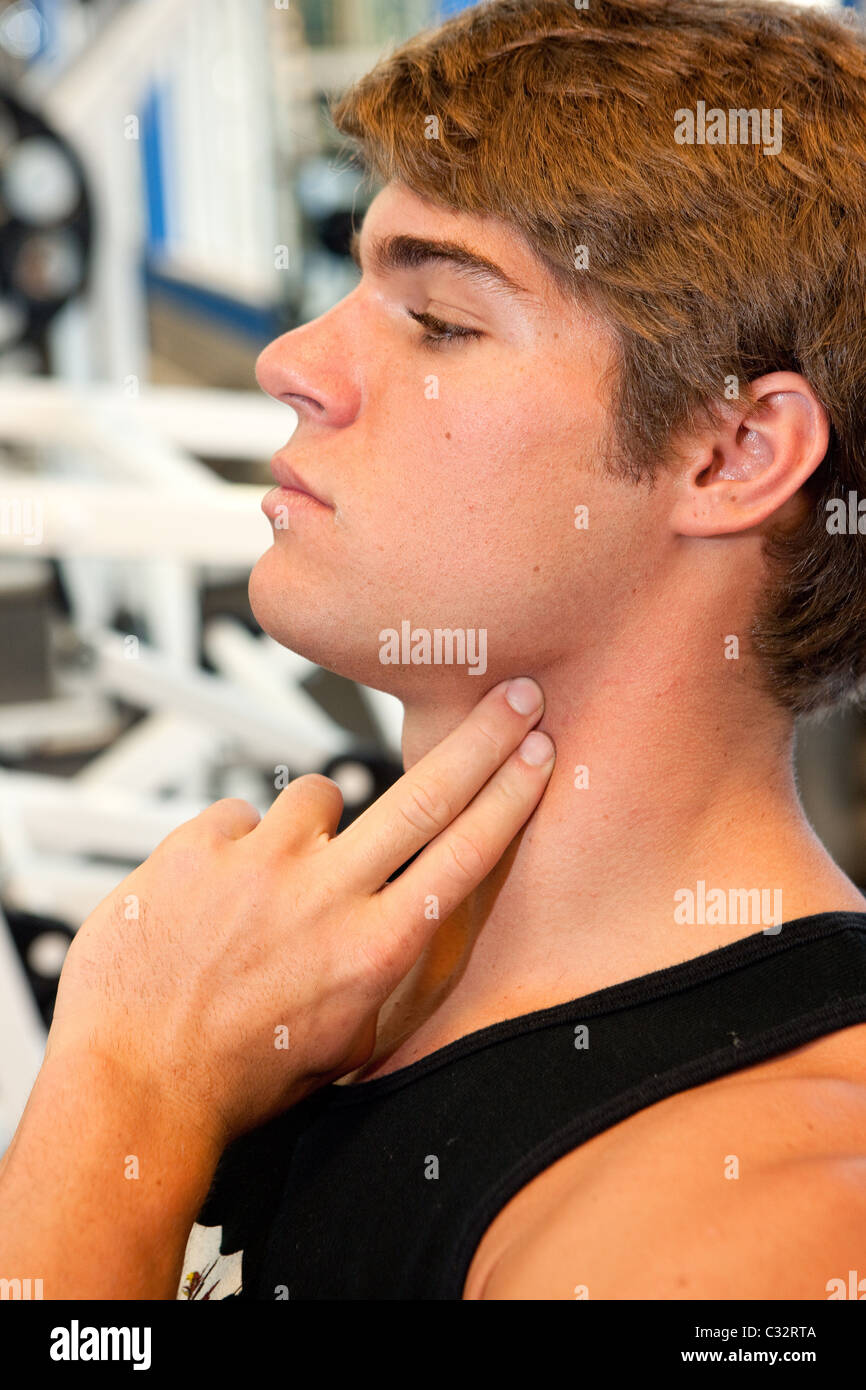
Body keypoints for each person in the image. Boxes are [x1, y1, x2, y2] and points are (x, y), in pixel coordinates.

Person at [3, 0, 866, 1301]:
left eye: (441, 321)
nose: (293, 362)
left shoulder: (754, 1219)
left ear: (730, 453)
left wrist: (120, 1100)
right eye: (353, 286)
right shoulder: (298, 987)